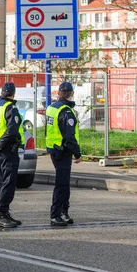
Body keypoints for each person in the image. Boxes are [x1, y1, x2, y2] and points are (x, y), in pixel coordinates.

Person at [0, 82, 24, 228]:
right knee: (8, 181)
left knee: (0, 181)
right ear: (13, 94)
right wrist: (0, 146)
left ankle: (5, 213)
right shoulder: (10, 107)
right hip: (7, 149)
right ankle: (2, 213)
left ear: (1, 92)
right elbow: (12, 130)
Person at [46, 81, 82, 227]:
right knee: (62, 184)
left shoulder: (52, 108)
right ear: (72, 93)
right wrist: (77, 154)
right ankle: (56, 214)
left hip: (54, 149)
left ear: (59, 93)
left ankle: (63, 212)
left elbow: (49, 130)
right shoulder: (66, 111)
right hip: (62, 151)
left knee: (64, 184)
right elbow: (69, 136)